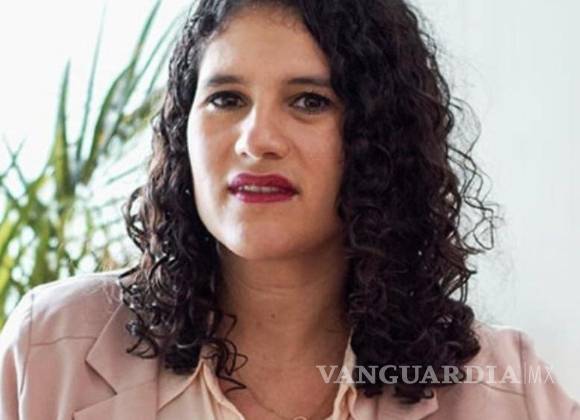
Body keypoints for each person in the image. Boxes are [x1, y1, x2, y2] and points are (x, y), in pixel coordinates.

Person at [1, 0, 579, 419]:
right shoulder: (50, 348)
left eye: (309, 101)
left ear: (381, 140)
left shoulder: (508, 392)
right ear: (182, 132)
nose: (256, 140)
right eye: (227, 99)